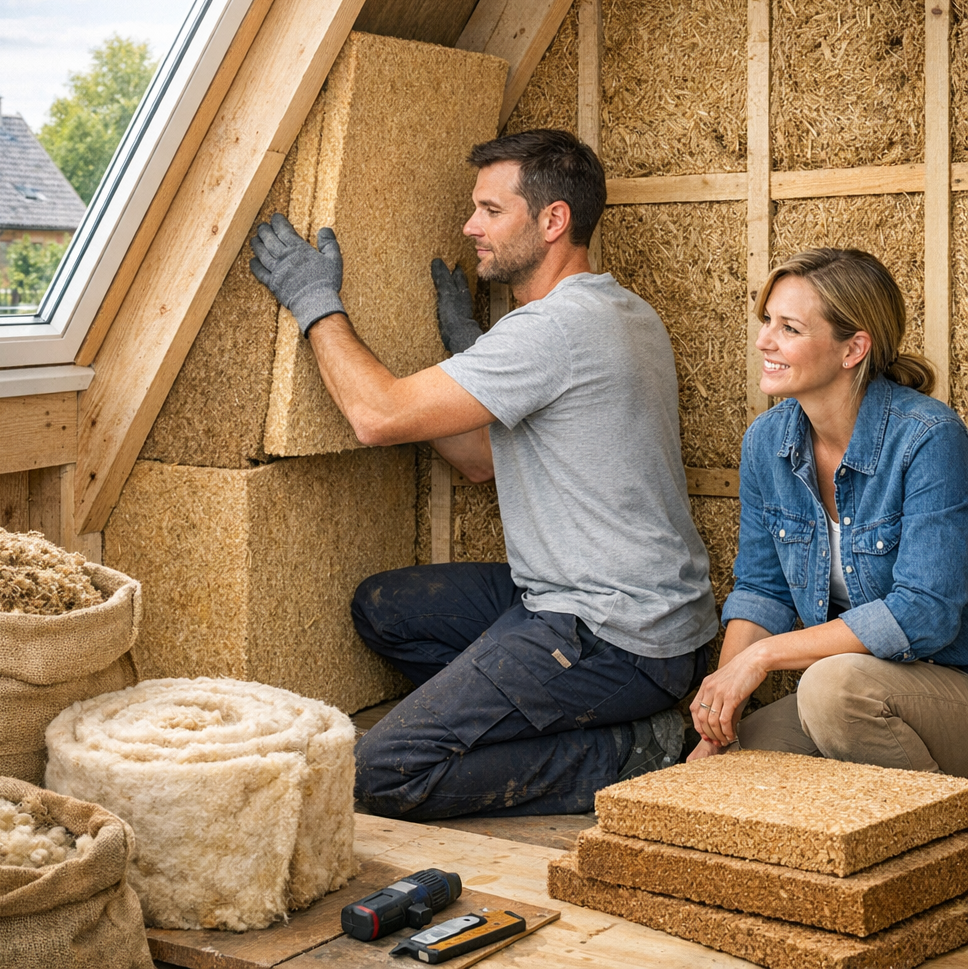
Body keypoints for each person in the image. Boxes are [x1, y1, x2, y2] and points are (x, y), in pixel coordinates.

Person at [249, 128, 719, 819]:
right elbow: (475, 462)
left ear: (553, 220)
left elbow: (375, 417)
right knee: (388, 611)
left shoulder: (553, 330)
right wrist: (473, 352)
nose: (471, 227)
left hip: (614, 635)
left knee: (377, 772)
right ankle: (541, 713)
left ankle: (634, 751)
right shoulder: (620, 310)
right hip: (631, 612)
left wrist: (314, 301)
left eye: (491, 211)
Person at [689, 248, 968, 775]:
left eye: (789, 328)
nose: (764, 340)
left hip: (947, 684)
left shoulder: (929, 439)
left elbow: (924, 612)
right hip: (856, 693)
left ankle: (939, 846)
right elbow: (761, 591)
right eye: (767, 320)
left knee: (832, 687)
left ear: (853, 349)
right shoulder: (766, 442)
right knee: (730, 769)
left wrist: (763, 658)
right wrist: (717, 715)